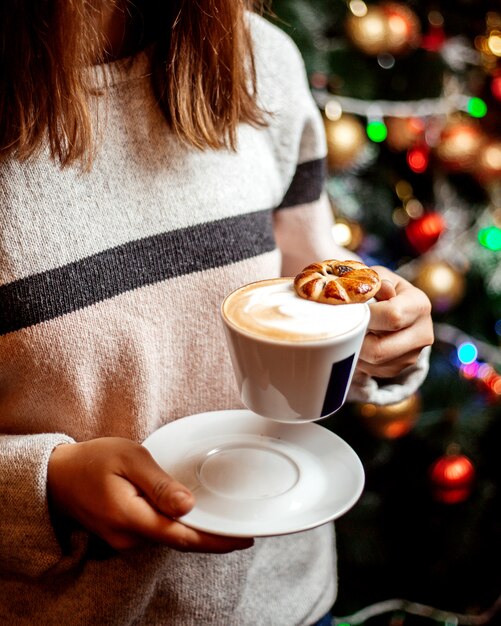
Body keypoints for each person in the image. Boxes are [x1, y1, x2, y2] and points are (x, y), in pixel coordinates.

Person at [0, 1, 433, 624]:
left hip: (288, 600)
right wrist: (41, 486)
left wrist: (385, 340)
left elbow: (315, 289)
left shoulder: (258, 60)